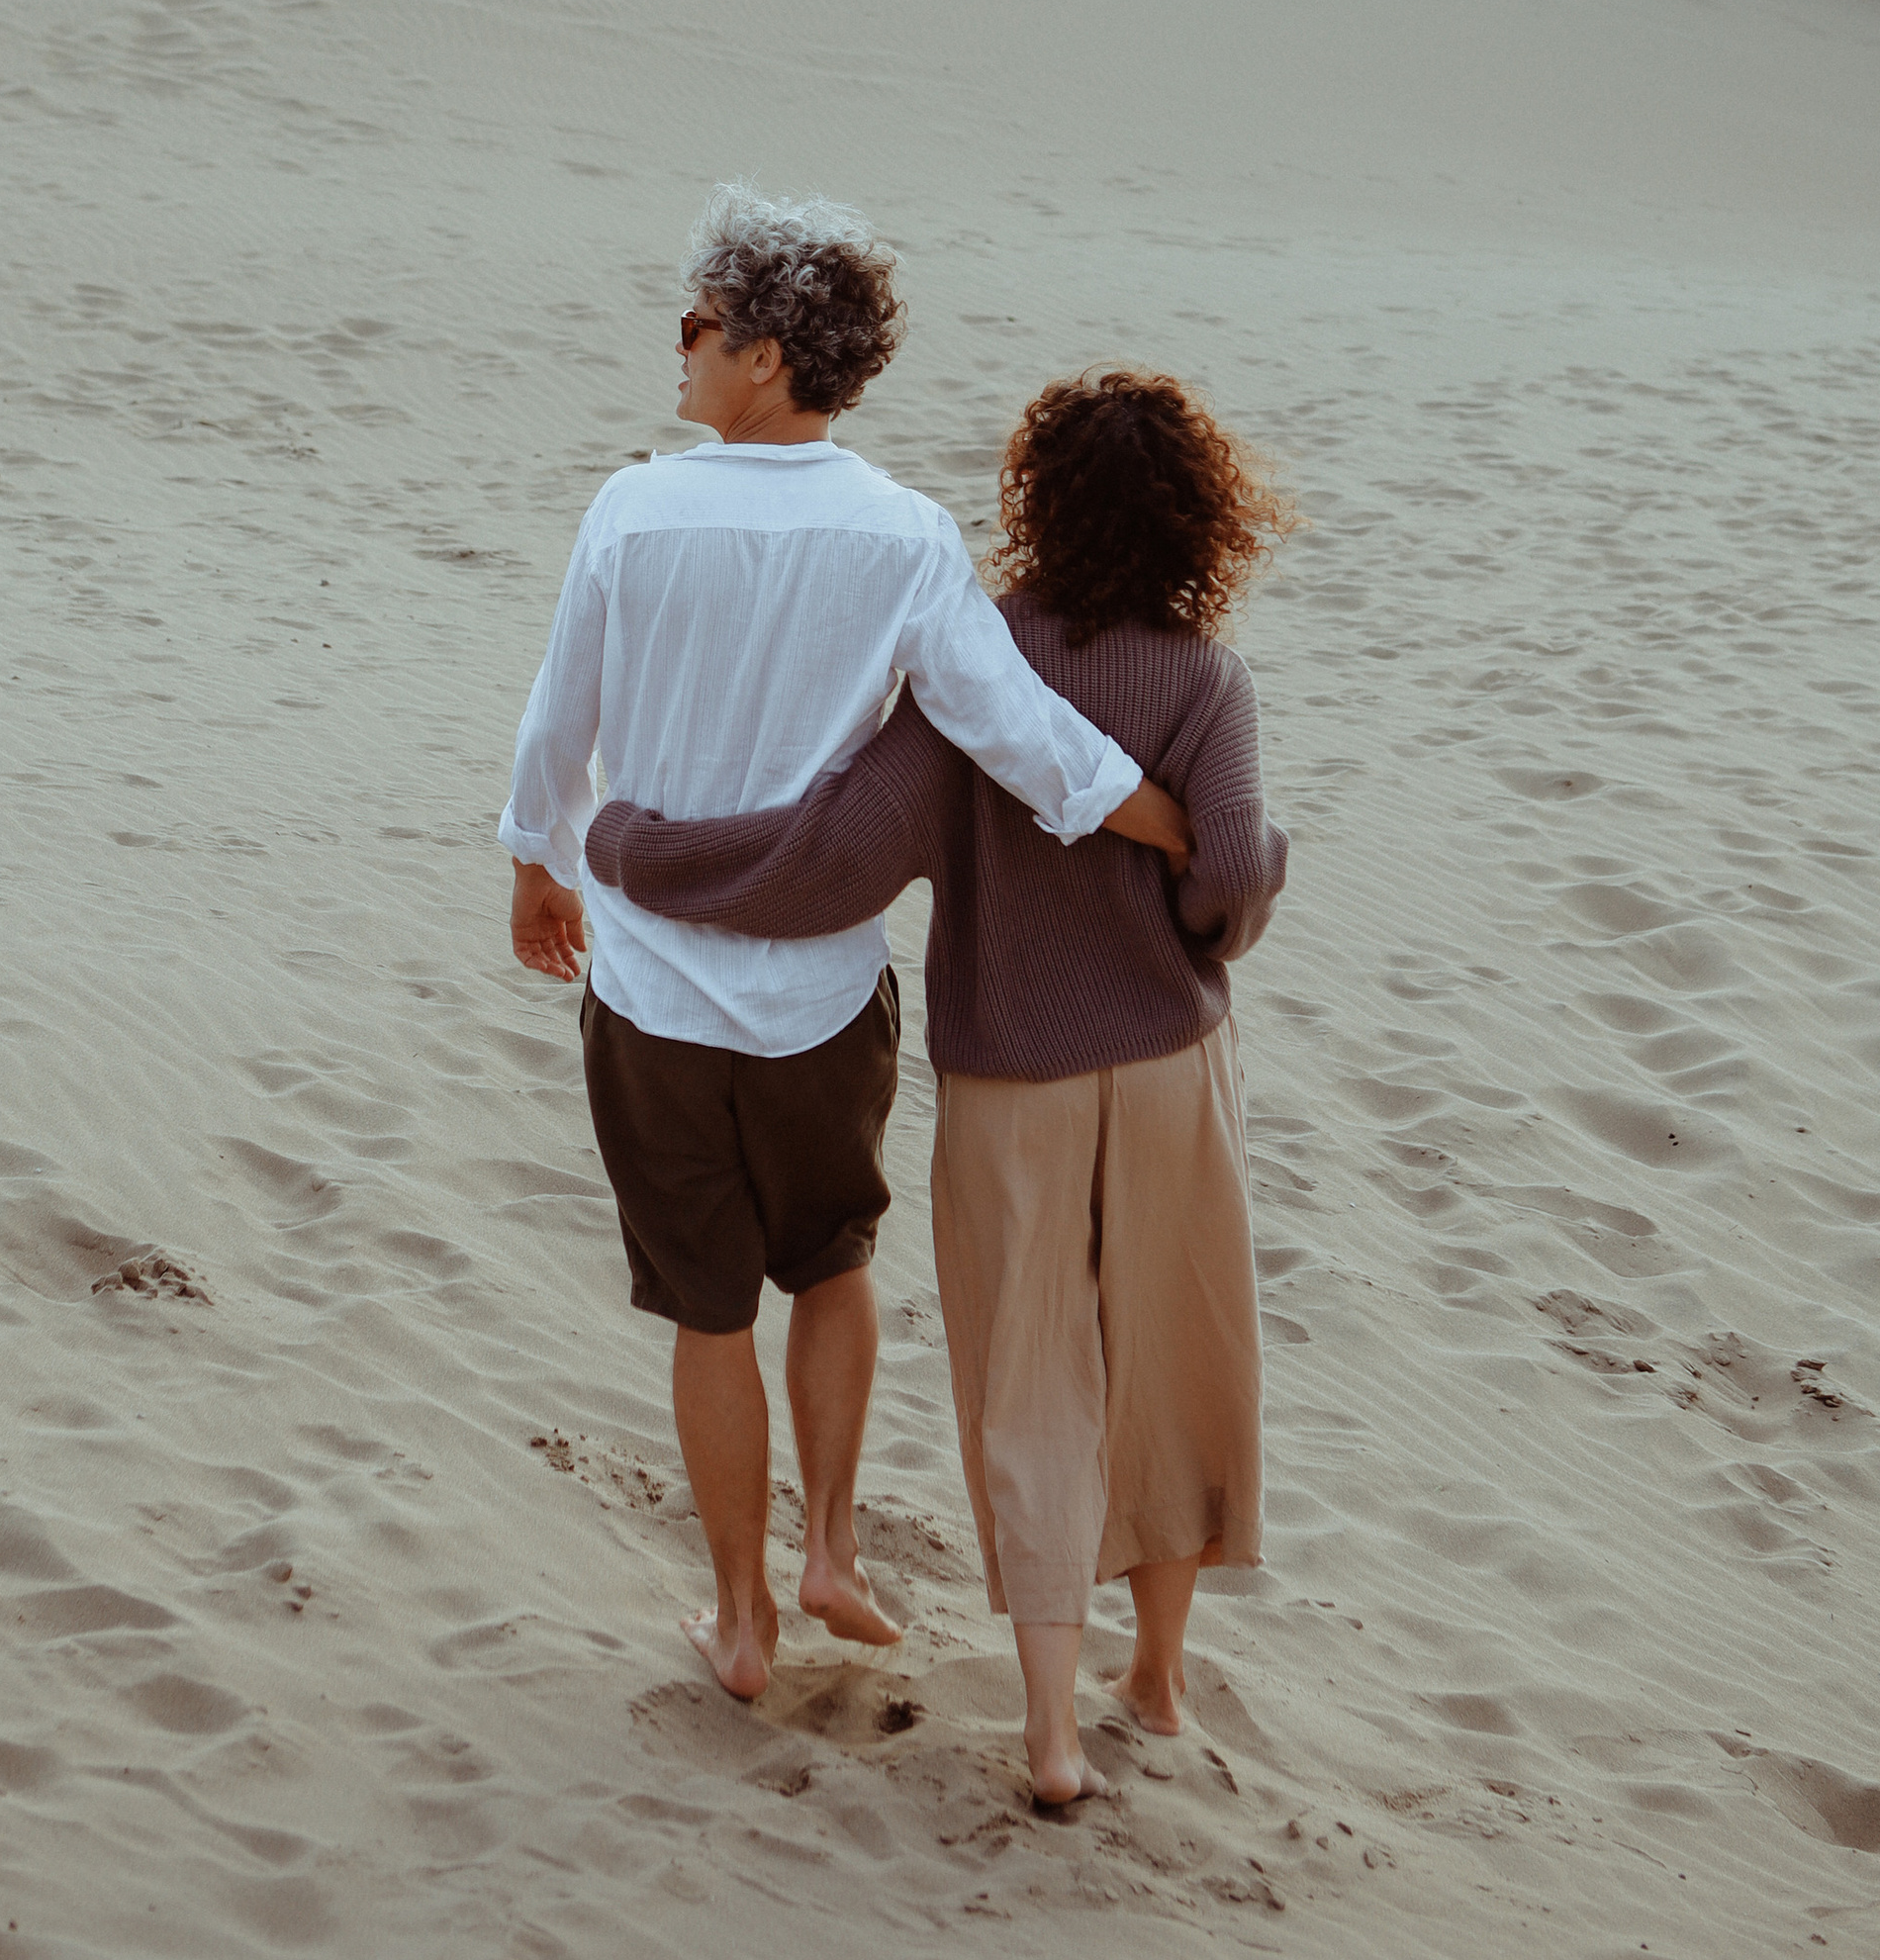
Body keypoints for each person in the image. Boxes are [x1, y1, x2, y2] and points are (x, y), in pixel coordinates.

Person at [501, 189, 1188, 1706]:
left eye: (697, 325)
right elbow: (1017, 735)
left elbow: (561, 716)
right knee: (832, 1266)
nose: (679, 346)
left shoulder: (632, 510)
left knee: (707, 1312)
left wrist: (534, 863)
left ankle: (742, 1616)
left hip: (653, 991)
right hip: (819, 995)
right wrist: (1170, 822)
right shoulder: (904, 534)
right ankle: (828, 1552)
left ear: (763, 354)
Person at [585, 368, 1290, 1806]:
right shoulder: (1206, 678)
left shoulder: (978, 659)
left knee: (1032, 1383)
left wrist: (637, 847)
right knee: (1167, 1361)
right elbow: (1226, 881)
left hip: (1012, 1079)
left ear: (1039, 502)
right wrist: (1239, 880)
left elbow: (839, 860)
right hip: (1168, 1067)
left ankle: (1049, 1734)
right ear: (1201, 518)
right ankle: (1156, 1682)